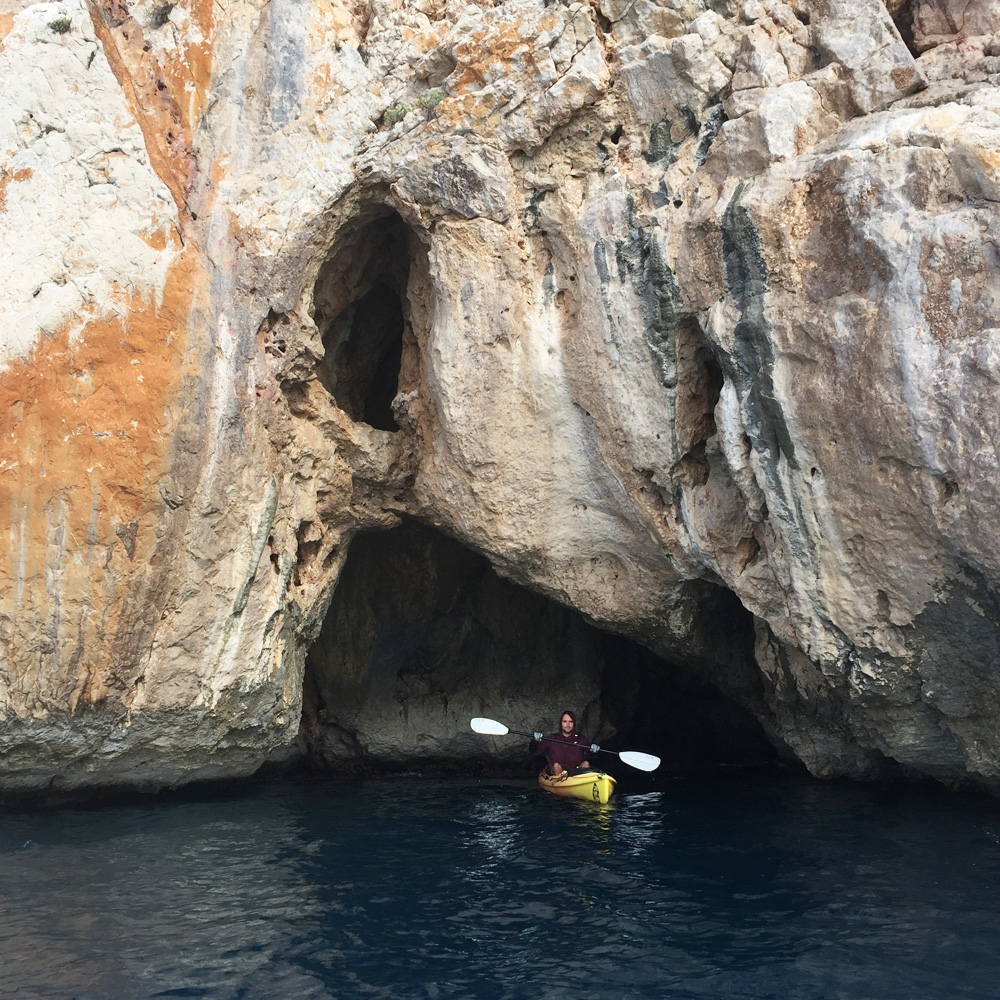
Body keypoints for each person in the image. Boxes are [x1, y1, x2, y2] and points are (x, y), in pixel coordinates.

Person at [530, 710, 598, 775]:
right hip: (557, 774)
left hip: (576, 774)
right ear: (561, 723)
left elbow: (591, 753)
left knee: (586, 764)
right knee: (556, 766)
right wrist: (535, 740)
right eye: (565, 721)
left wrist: (594, 750)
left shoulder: (581, 739)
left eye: (570, 722)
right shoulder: (552, 738)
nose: (567, 725)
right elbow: (534, 750)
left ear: (574, 723)